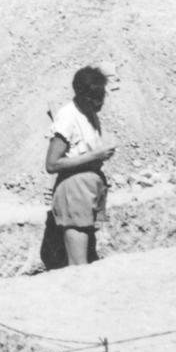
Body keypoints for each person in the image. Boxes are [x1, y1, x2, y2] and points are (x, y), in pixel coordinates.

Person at [44, 66, 116, 266]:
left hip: (92, 189)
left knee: (93, 254)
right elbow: (51, 164)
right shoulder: (67, 117)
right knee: (79, 266)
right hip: (75, 191)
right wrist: (94, 155)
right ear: (83, 96)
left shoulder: (89, 113)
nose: (100, 103)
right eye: (95, 98)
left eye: (102, 97)